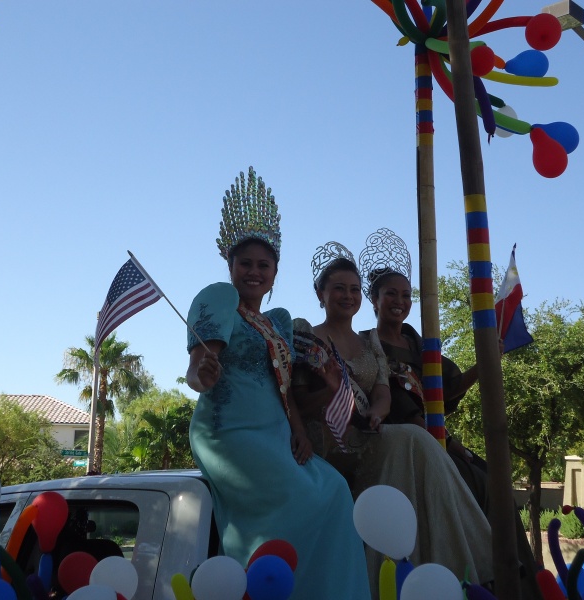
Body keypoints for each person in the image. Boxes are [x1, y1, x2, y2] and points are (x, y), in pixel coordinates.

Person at [185, 167, 371, 600]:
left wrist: (299, 429)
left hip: (276, 430)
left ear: (274, 271)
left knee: (334, 492)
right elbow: (199, 364)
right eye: (244, 263)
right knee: (297, 501)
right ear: (229, 266)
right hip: (229, 432)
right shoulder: (219, 298)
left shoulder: (279, 322)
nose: (254, 271)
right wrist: (202, 375)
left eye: (263, 265)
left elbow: (283, 386)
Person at [291, 242, 494, 597]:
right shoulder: (307, 334)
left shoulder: (371, 344)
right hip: (330, 442)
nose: (347, 295)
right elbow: (297, 401)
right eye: (339, 288)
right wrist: (330, 390)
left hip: (371, 432)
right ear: (320, 293)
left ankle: (467, 563)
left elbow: (383, 392)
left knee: (437, 454)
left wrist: (376, 412)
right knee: (416, 439)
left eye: (353, 289)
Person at [357, 227, 542, 600]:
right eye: (390, 293)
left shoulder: (421, 346)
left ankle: (512, 582)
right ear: (373, 299)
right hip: (397, 446)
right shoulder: (365, 345)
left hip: (437, 439)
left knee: (490, 480)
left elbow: (450, 389)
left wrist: (489, 358)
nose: (399, 300)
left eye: (406, 295)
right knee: (465, 481)